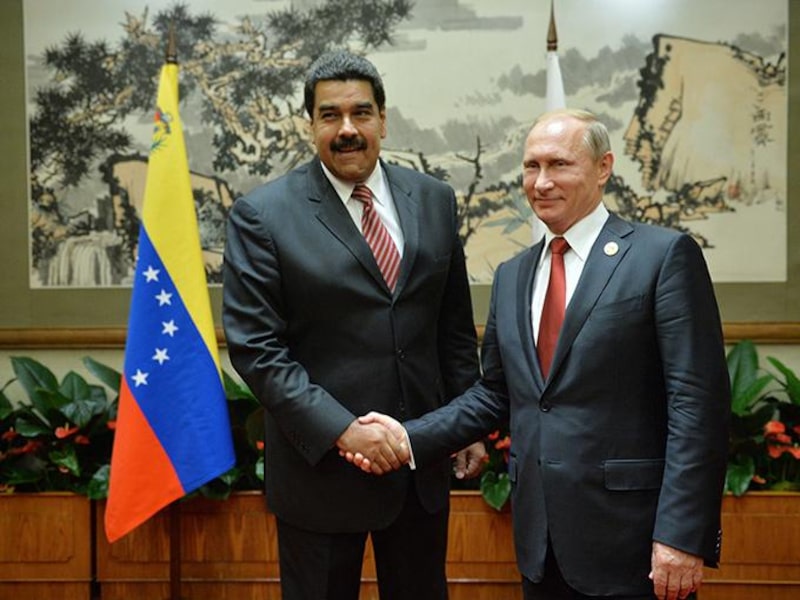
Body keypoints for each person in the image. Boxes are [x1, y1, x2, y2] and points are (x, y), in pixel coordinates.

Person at [352, 109, 731, 600]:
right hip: (540, 543)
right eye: (531, 167)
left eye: (559, 165)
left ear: (603, 167)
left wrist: (682, 535)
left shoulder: (662, 257)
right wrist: (406, 437)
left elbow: (697, 405)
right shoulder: (514, 274)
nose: (542, 182)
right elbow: (495, 394)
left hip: (635, 545)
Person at [222, 49, 484, 600]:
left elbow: (452, 325)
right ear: (310, 124)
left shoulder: (434, 199)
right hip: (321, 473)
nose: (347, 129)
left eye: (361, 113)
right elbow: (257, 350)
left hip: (420, 463)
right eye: (330, 115)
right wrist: (345, 429)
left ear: (383, 120)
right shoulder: (262, 215)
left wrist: (463, 424)